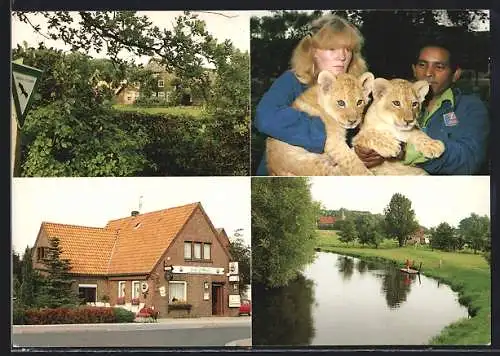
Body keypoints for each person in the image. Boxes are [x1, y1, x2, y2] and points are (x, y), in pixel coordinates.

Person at [253, 14, 368, 175]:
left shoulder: (356, 89)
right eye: (332, 48)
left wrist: (368, 152)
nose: (342, 56)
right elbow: (264, 117)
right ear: (313, 51)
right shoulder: (293, 80)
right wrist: (324, 134)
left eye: (348, 49)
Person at [356, 42, 490, 175]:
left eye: (439, 67)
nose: (429, 73)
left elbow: (470, 161)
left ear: (455, 74)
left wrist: (406, 151)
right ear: (414, 69)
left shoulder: (471, 107)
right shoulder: (390, 100)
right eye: (422, 65)